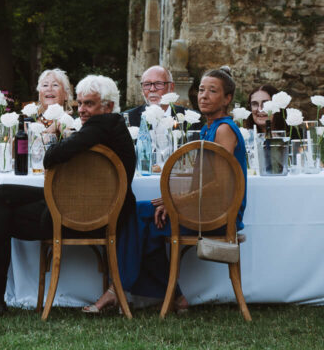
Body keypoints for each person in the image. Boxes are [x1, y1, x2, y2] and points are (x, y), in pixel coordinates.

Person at [0, 75, 136, 316]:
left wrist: (64, 140)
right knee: (2, 194)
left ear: (108, 106)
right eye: (79, 104)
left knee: (1, 209)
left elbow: (51, 157)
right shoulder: (114, 127)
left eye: (88, 104)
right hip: (96, 212)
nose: (82, 110)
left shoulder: (100, 127)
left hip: (85, 218)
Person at [85, 67, 247, 313]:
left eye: (212, 91)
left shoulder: (224, 129)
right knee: (145, 222)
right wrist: (173, 201)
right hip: (202, 207)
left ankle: (116, 289)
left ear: (227, 99)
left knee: (134, 214)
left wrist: (176, 202)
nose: (203, 96)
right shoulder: (207, 128)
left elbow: (221, 183)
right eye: (201, 90)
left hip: (218, 213)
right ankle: (174, 297)